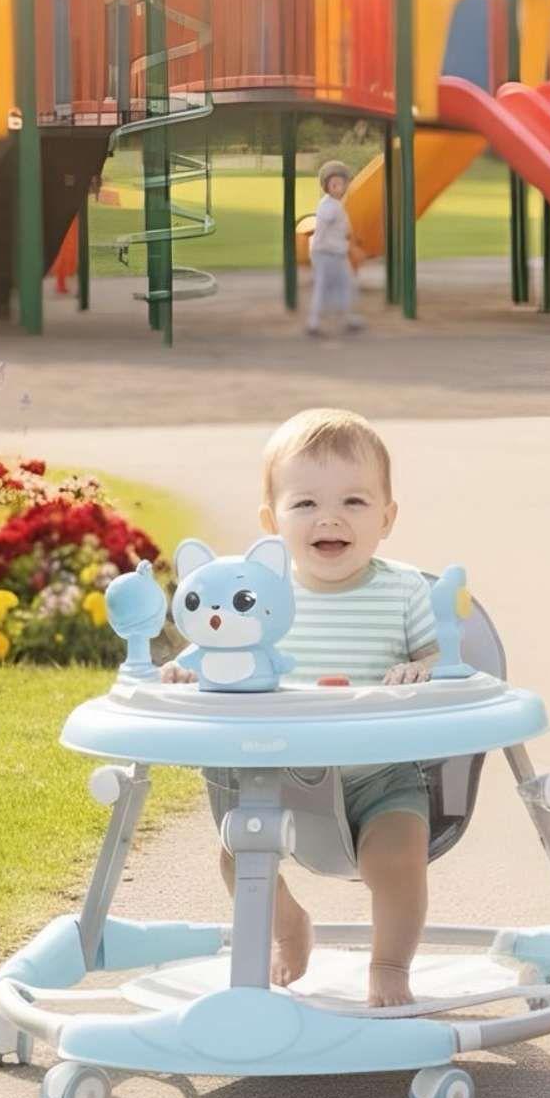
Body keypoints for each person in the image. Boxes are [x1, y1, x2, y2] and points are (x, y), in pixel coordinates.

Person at [165, 408, 438, 1007]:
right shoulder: (256, 595)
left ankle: (389, 965)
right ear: (271, 523)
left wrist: (422, 668)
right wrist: (183, 673)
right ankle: (288, 924)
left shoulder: (404, 591)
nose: (330, 518)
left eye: (354, 502)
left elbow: (439, 657)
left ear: (387, 518)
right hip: (278, 775)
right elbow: (214, 651)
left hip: (380, 775)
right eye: (306, 503)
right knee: (238, 857)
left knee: (399, 858)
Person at [308, 159, 362, 337]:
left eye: (341, 184)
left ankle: (347, 318)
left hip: (336, 253)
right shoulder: (328, 206)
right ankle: (314, 323)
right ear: (327, 187)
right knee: (323, 287)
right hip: (326, 254)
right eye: (334, 185)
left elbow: (343, 229)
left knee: (347, 285)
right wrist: (317, 249)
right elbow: (323, 225)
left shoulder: (335, 204)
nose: (338, 188)